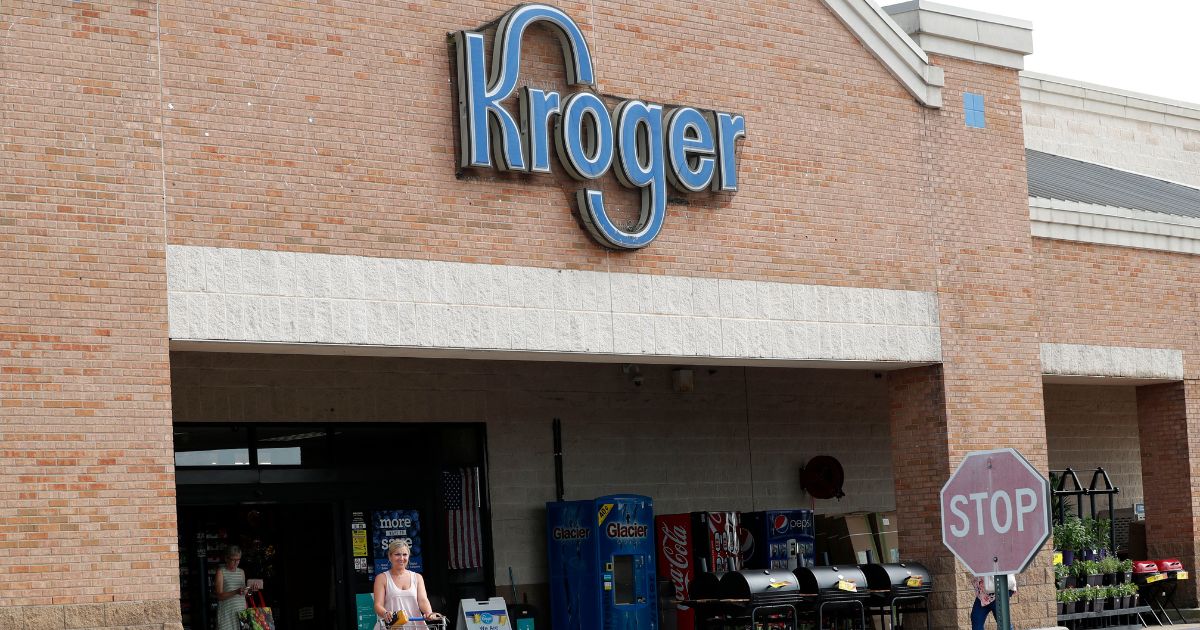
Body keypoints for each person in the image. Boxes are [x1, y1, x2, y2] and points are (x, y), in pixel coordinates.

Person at [373, 541, 443, 628]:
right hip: (392, 626)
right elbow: (378, 605)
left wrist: (429, 613)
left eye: (405, 554)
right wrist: (385, 613)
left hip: (415, 626)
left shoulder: (417, 577)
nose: (401, 558)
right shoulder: (382, 578)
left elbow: (423, 600)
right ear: (390, 556)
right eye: (397, 554)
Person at [215, 545, 249, 630]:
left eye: (238, 560)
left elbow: (244, 594)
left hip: (242, 612)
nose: (236, 562)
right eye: (233, 560)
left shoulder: (241, 572)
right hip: (227, 614)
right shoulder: (221, 572)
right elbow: (219, 596)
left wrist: (250, 590)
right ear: (226, 558)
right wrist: (236, 592)